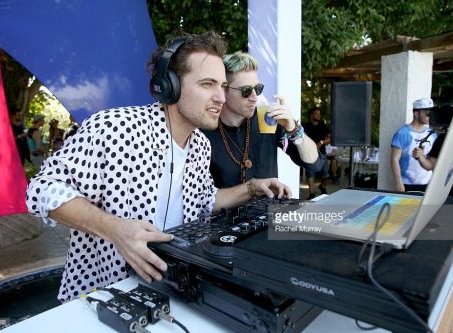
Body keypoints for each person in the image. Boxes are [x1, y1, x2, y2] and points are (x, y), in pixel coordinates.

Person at [25, 31, 292, 303]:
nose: (220, 97)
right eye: (207, 84)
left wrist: (252, 187)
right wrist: (113, 228)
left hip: (168, 291)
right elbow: (42, 189)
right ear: (169, 85)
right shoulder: (113, 127)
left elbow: (206, 200)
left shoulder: (200, 145)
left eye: (222, 86)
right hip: (100, 295)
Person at [202, 51, 322, 188]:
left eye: (258, 89)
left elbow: (314, 163)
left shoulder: (267, 119)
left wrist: (294, 129)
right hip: (224, 209)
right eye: (246, 91)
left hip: (269, 208)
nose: (255, 97)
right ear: (223, 90)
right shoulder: (203, 130)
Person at [391, 98, 437, 192]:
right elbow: (394, 159)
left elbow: (434, 159)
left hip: (428, 183)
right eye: (427, 114)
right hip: (407, 183)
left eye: (432, 113)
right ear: (416, 113)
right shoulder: (402, 133)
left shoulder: (433, 134)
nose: (430, 117)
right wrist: (398, 183)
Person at [303, 106, 330, 199]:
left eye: (319, 114)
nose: (318, 116)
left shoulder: (324, 126)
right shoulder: (305, 126)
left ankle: (322, 185)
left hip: (322, 153)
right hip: (309, 154)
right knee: (310, 173)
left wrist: (323, 142)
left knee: (325, 173)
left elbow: (329, 138)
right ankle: (312, 192)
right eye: (316, 114)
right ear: (311, 115)